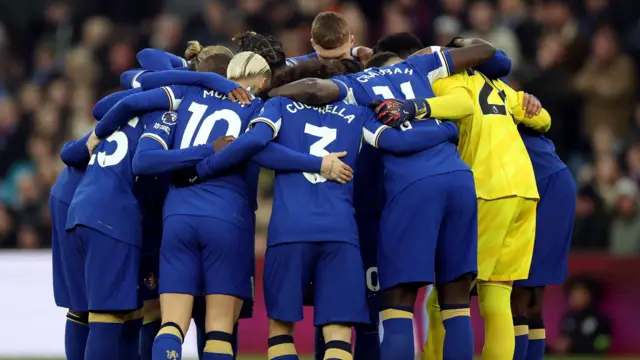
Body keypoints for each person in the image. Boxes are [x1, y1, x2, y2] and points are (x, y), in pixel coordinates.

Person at [184, 58, 462, 360]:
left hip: (289, 232)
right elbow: (398, 142)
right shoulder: (358, 112)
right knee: (339, 334)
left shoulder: (279, 106)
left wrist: (205, 166)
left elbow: (255, 146)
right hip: (341, 232)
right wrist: (446, 130)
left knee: (281, 331)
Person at [267, 39, 497, 360]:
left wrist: (269, 95)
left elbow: (315, 89)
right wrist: (446, 129)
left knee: (397, 301)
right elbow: (486, 51)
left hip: (412, 188)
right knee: (456, 300)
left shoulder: (356, 88)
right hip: (459, 180)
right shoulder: (417, 67)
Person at [373, 44, 551, 360]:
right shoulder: (500, 87)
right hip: (524, 191)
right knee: (497, 296)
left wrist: (415, 107)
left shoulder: (448, 81)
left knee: (448, 295)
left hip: (488, 188)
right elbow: (545, 121)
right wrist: (532, 103)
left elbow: (461, 104)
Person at [284, 12, 373, 67]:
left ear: (352, 40)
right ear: (313, 44)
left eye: (340, 58)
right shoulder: (300, 65)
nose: (333, 65)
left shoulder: (370, 62)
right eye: (325, 59)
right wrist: (355, 50)